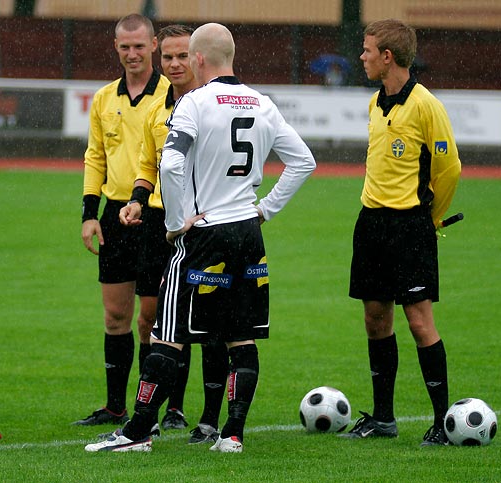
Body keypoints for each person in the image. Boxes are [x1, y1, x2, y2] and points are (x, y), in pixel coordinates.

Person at [86, 22, 316, 453]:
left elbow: (171, 164)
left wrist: (176, 220)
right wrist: (264, 208)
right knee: (239, 336)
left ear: (199, 59)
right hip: (248, 232)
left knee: (166, 334)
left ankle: (136, 434)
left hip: (204, 233)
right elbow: (303, 161)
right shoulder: (262, 103)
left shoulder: (193, 102)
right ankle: (231, 435)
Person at [340, 19, 461, 446]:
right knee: (375, 319)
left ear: (387, 56)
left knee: (419, 321)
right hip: (371, 223)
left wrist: (432, 217)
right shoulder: (375, 102)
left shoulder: (427, 105)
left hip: (410, 226)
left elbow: (450, 169)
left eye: (367, 50)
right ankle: (383, 418)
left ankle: (444, 422)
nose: (362, 57)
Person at [118, 24, 230, 443]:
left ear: (198, 57)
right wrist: (135, 199)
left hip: (206, 230)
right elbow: (149, 165)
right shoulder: (154, 109)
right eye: (167, 57)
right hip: (161, 229)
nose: (175, 64)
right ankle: (153, 411)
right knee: (155, 321)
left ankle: (209, 417)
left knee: (213, 324)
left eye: (183, 56)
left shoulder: (214, 105)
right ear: (158, 60)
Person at [76, 14, 171, 426]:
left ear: (153, 45)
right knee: (115, 316)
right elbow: (95, 155)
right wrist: (89, 215)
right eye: (124, 47)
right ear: (115, 48)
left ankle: (155, 411)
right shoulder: (103, 98)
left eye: (139, 46)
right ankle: (116, 407)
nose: (132, 54)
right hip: (115, 216)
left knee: (151, 319)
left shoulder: (172, 94)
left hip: (158, 215)